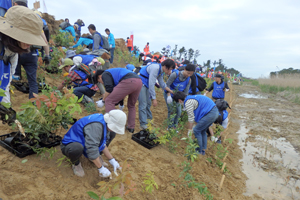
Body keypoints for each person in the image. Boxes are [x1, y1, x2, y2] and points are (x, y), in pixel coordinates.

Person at [0, 6, 46, 124]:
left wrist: (6, 106)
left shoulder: (12, 54)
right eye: (27, 37)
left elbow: (6, 82)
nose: (30, 43)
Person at [61, 110, 125, 177]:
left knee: (112, 133)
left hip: (85, 141)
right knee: (77, 148)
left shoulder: (105, 123)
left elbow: (103, 143)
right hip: (70, 144)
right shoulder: (96, 126)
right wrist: (101, 168)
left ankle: (96, 157)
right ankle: (76, 164)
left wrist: (112, 160)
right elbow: (91, 148)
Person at [95, 68, 142, 133]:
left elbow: (109, 90)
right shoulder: (114, 73)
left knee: (109, 101)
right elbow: (118, 94)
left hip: (129, 81)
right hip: (139, 81)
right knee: (131, 105)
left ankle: (110, 124)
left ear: (99, 77)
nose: (102, 83)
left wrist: (103, 100)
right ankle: (131, 127)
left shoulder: (105, 74)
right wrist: (121, 103)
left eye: (99, 81)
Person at [138, 59, 175, 130]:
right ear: (164, 66)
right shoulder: (155, 68)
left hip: (147, 84)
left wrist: (170, 91)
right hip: (141, 83)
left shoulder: (161, 71)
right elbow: (151, 83)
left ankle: (149, 119)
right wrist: (154, 98)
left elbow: (161, 83)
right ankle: (143, 124)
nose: (169, 72)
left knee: (148, 103)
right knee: (143, 104)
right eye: (169, 69)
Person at [164, 64, 195, 129]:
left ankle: (175, 126)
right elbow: (167, 85)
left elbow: (186, 92)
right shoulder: (175, 74)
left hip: (178, 96)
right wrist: (169, 95)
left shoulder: (189, 80)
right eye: (188, 73)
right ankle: (170, 127)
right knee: (171, 110)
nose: (188, 75)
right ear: (185, 69)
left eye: (191, 74)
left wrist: (185, 103)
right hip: (169, 94)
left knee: (178, 112)